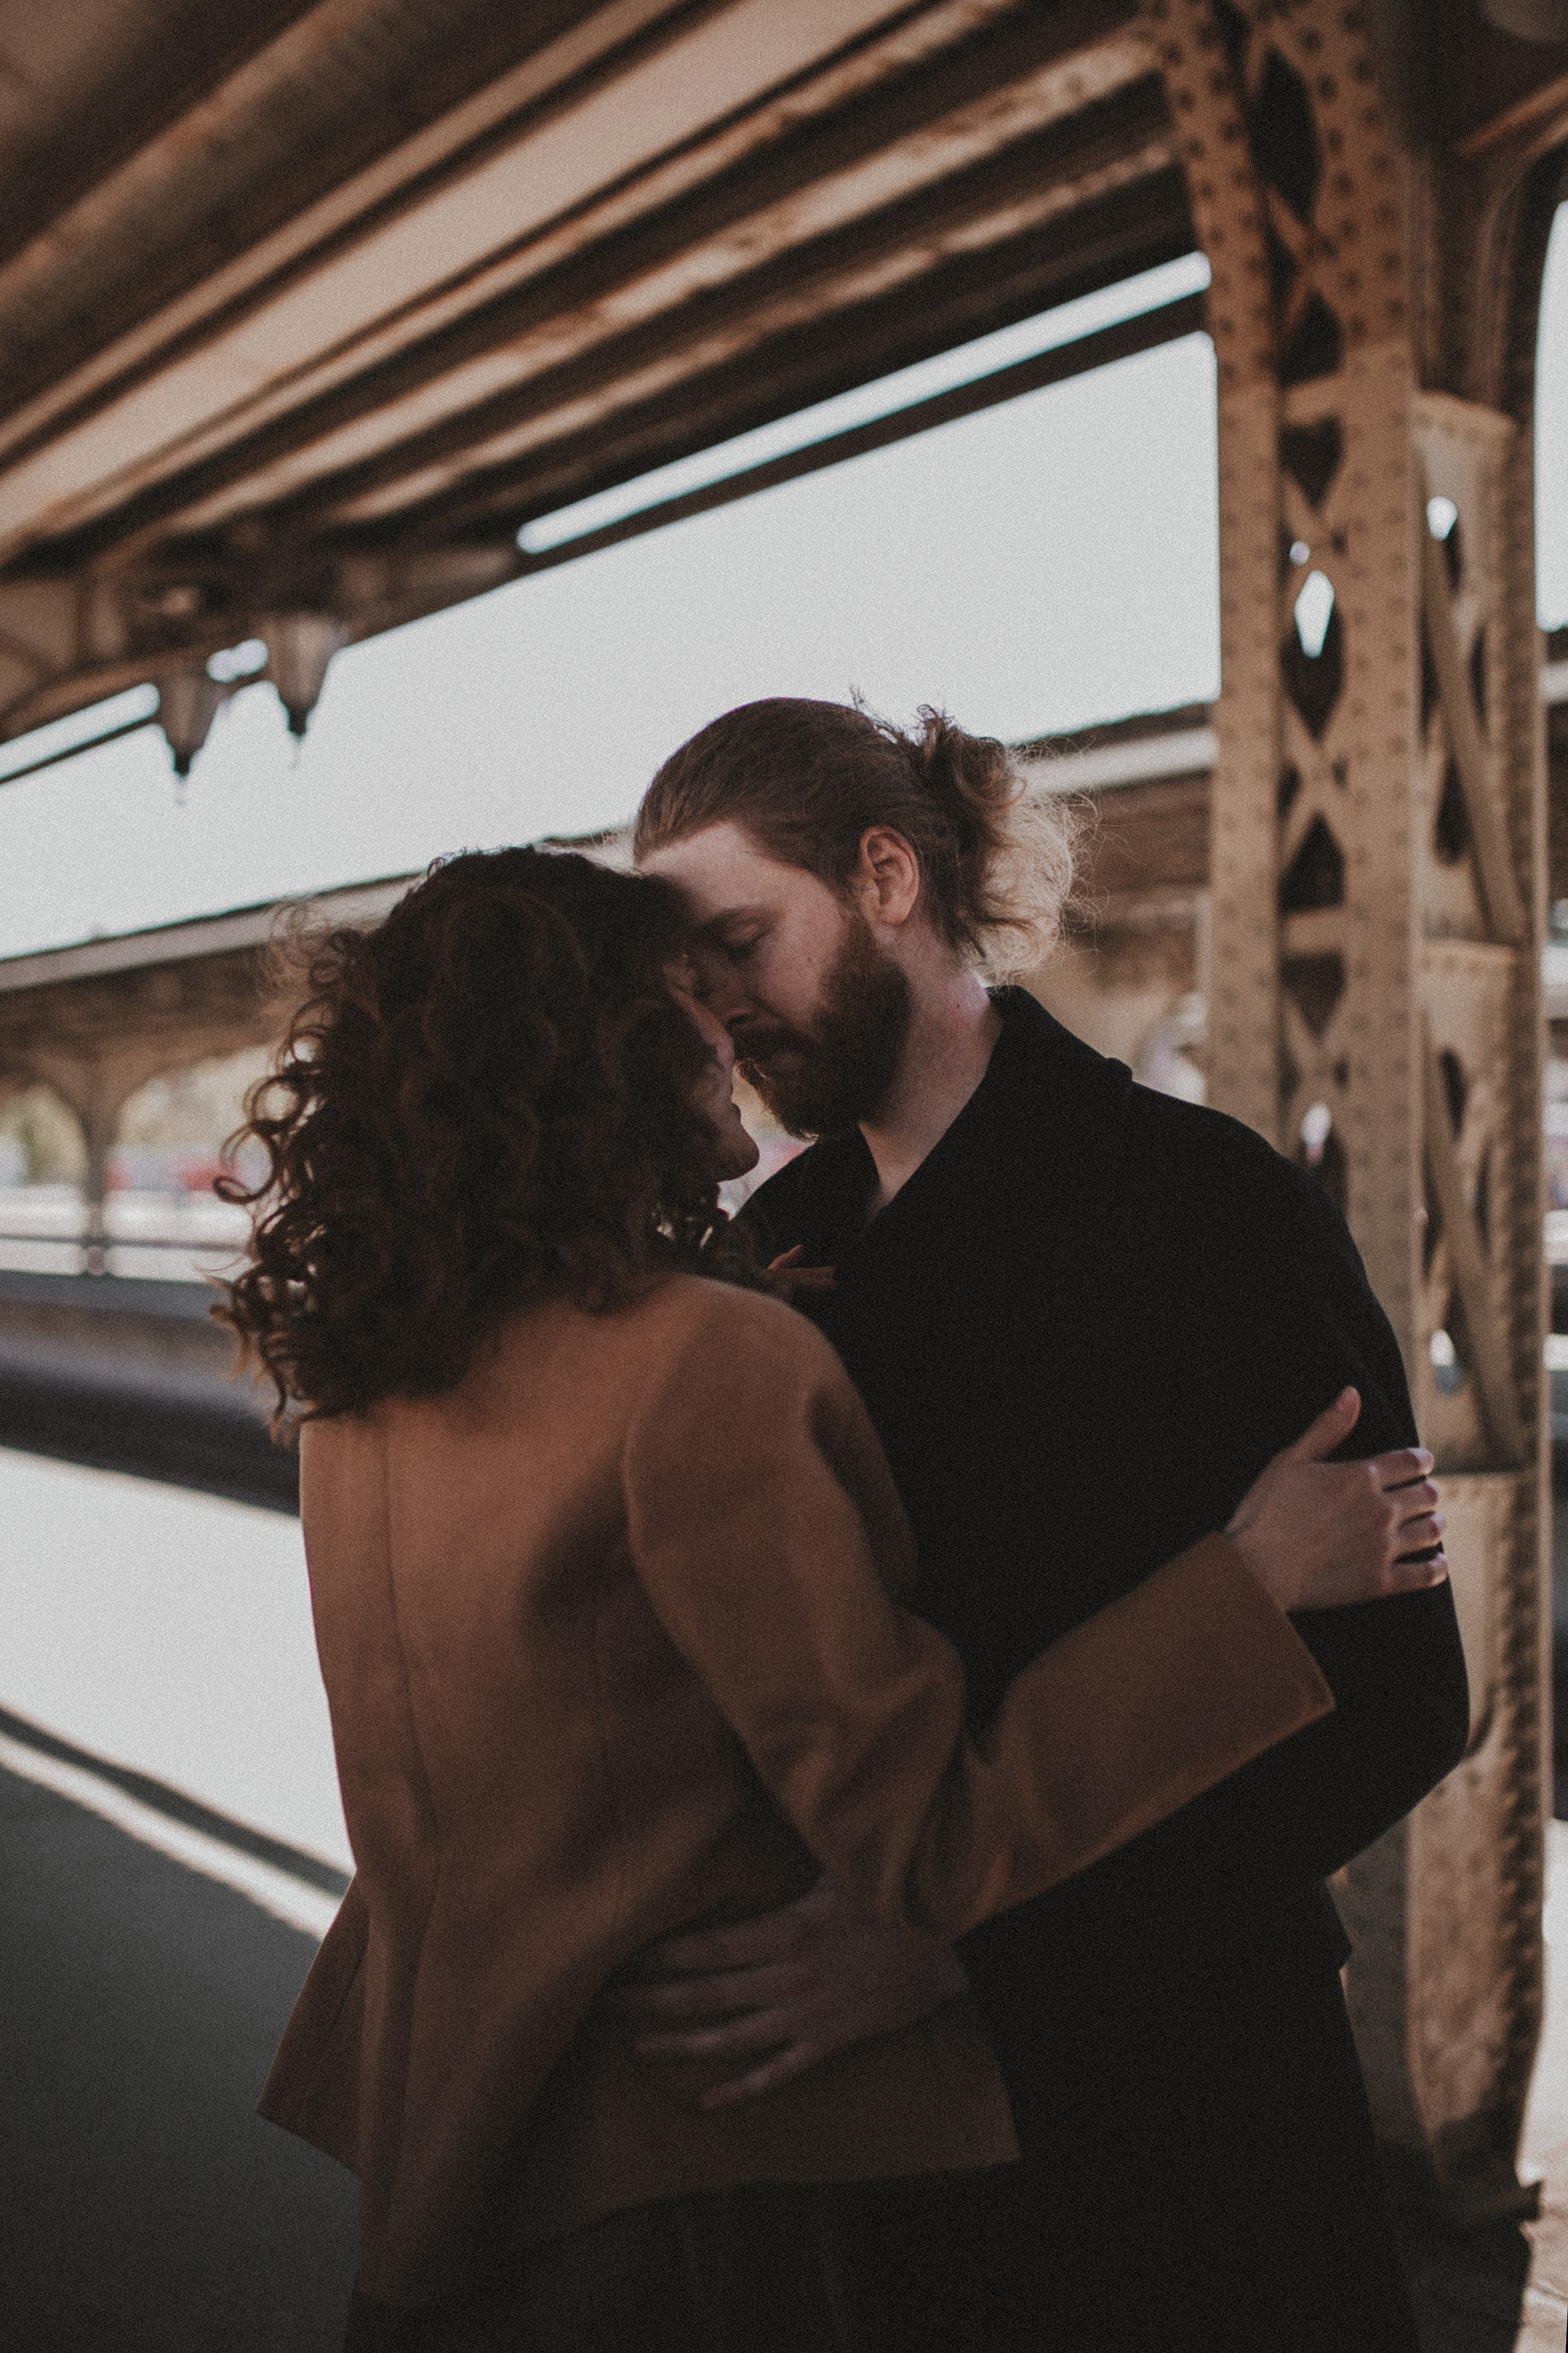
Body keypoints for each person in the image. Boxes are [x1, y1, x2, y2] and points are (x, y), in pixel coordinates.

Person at [223, 846, 1445, 2353]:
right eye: (691, 986)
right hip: (676, 2173)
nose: (726, 1021)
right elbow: (924, 1835)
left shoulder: (370, 1373)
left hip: (454, 2152)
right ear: (604, 1046)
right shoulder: (702, 1364)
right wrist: (1244, 1582)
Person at [629, 697, 1472, 2352]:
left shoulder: (1201, 1208)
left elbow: (1398, 1703)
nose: (717, 1005)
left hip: (1187, 2141)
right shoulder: (770, 1250)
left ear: (886, 876)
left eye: (739, 938)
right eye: (690, 970)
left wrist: (967, 1953)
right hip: (880, 2157)